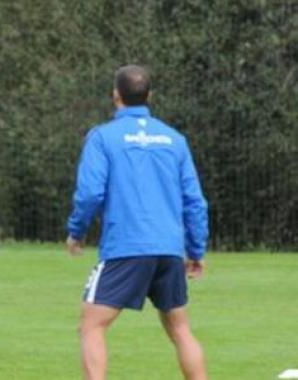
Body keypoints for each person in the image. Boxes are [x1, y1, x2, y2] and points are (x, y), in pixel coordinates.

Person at [65, 64, 209, 380]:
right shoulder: (174, 139)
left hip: (126, 247)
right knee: (180, 329)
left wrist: (76, 231)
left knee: (91, 325)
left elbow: (90, 193)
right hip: (169, 249)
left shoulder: (103, 137)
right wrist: (196, 251)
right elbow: (194, 201)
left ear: (116, 95)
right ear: (150, 96)